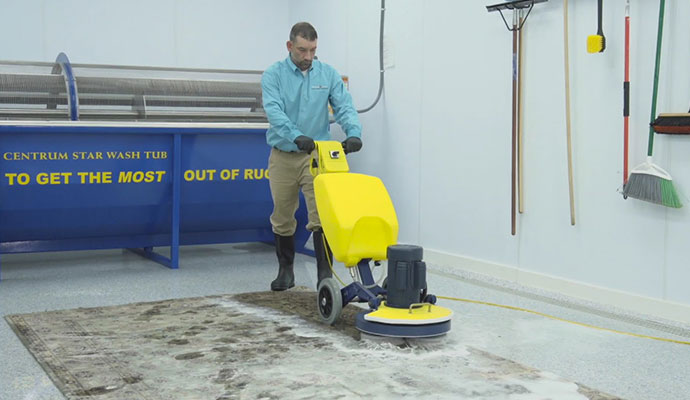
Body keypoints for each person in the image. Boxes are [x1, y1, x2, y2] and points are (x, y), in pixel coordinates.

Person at [262, 22, 363, 291]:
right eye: (302, 50)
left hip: (317, 155)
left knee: (322, 215)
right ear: (290, 46)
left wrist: (353, 133)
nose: (308, 57)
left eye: (313, 50)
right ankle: (286, 272)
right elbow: (274, 112)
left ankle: (324, 276)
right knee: (283, 215)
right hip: (284, 154)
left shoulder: (328, 74)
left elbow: (344, 105)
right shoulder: (273, 75)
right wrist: (295, 136)